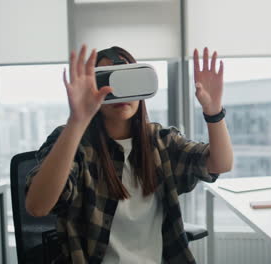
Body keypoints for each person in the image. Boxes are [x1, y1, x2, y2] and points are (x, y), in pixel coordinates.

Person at [25, 45, 233, 263]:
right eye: (106, 82)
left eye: (128, 80)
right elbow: (37, 207)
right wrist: (77, 121)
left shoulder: (161, 142)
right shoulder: (74, 144)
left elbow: (220, 163)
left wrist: (213, 111)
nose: (118, 91)